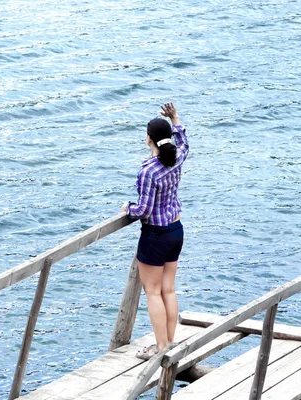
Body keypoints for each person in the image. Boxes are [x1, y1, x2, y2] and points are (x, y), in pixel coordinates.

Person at [121, 102, 189, 360]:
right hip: (175, 230)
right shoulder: (177, 159)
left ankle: (160, 348)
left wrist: (128, 207)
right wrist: (176, 119)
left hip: (155, 236)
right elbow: (184, 143)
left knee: (152, 291)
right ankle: (169, 342)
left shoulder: (148, 171)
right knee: (168, 289)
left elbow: (144, 210)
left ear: (147, 138)